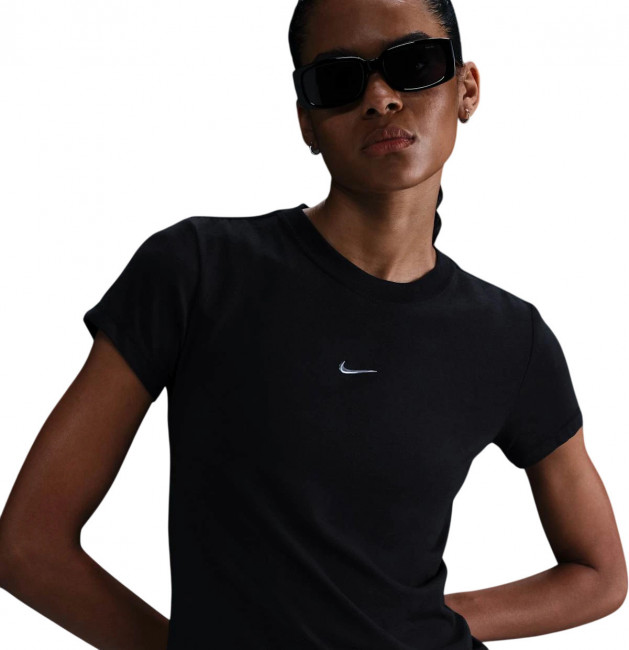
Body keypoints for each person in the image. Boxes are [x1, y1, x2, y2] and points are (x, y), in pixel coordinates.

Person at [0, 0, 626, 648]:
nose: (380, 98)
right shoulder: (198, 273)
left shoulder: (510, 338)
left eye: (413, 64)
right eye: (339, 79)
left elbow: (600, 575)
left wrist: (418, 618)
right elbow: (28, 545)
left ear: (465, 88)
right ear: (306, 119)